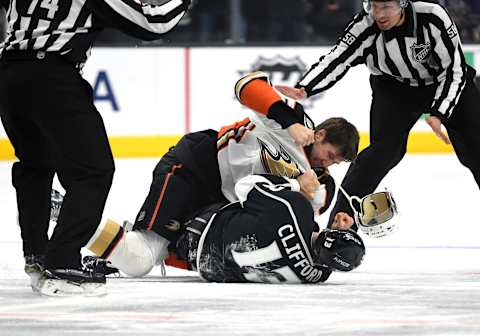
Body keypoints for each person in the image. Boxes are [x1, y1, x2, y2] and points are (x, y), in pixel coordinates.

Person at [67, 72, 360, 278]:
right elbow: (247, 85)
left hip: (219, 206)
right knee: (142, 258)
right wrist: (289, 122)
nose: (329, 164)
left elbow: (299, 228)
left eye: (337, 162)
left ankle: (105, 237)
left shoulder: (322, 184)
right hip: (195, 167)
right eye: (331, 154)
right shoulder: (294, 120)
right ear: (319, 134)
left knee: (150, 255)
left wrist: (335, 226)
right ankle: (71, 215)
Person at [0, 0, 190, 296]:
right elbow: (153, 23)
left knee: (34, 165)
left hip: (9, 77)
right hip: (52, 77)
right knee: (93, 171)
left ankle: (35, 254)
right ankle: (62, 262)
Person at [275, 0, 480, 228]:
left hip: (446, 84)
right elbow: (339, 56)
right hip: (394, 89)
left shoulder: (432, 16)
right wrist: (306, 87)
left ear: (403, 4)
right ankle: (340, 227)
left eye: (386, 7)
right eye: (373, 6)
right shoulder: (365, 24)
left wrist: (439, 110)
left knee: (476, 149)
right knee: (381, 154)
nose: (378, 14)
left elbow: (455, 69)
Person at [174, 173, 366, 283]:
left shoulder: (294, 209)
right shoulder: (317, 277)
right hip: (205, 268)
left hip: (197, 229)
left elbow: (244, 185)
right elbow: (324, 255)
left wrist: (296, 184)